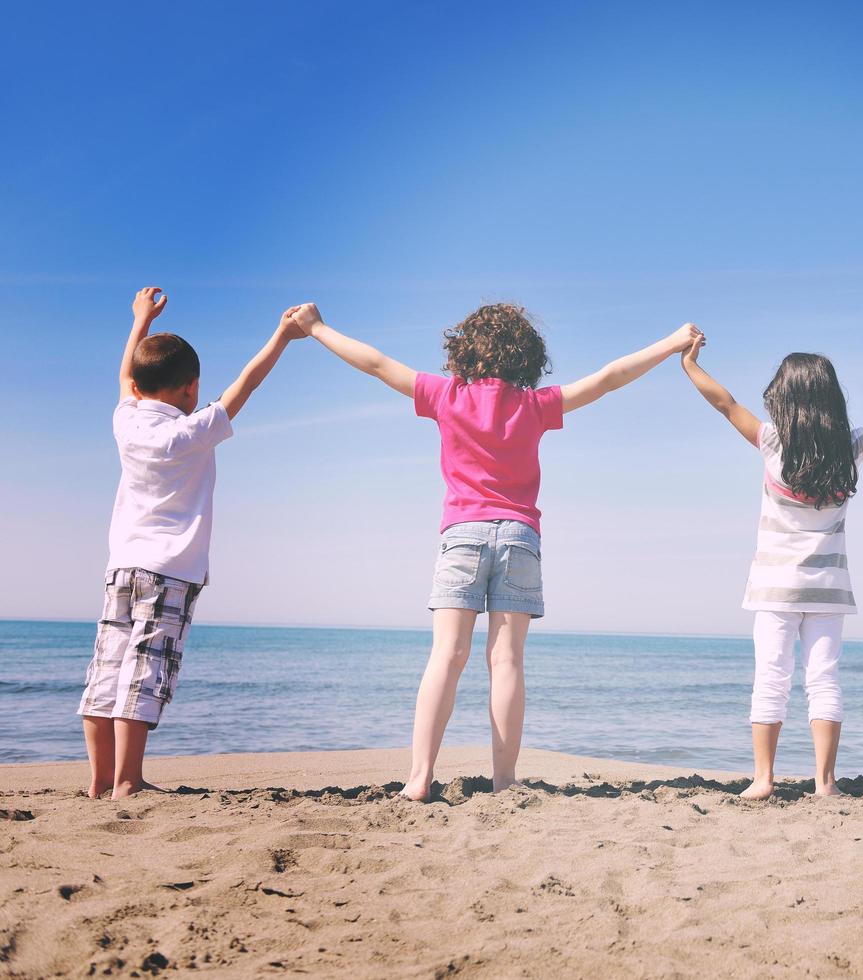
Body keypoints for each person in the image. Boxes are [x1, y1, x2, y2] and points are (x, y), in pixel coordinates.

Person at [289, 301, 700, 799]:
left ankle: (419, 779)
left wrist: (318, 328)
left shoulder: (446, 395)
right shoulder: (535, 405)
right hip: (520, 538)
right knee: (505, 661)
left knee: (447, 653)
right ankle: (505, 781)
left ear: (463, 351)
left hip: (463, 532)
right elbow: (609, 377)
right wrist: (673, 341)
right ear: (526, 356)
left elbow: (376, 364)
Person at [681, 336, 863, 799]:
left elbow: (725, 403)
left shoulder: (770, 444)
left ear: (784, 398)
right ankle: (825, 783)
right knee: (823, 680)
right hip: (828, 589)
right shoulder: (849, 449)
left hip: (774, 588)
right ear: (831, 400)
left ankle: (763, 780)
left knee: (771, 678)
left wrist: (689, 364)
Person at [81, 287, 303, 799]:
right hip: (170, 569)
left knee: (109, 666)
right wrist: (283, 336)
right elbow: (245, 386)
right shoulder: (189, 432)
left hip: (123, 566)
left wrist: (139, 319)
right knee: (144, 670)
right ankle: (129, 781)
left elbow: (124, 377)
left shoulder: (125, 419)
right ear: (190, 388)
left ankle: (98, 781)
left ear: (139, 385)